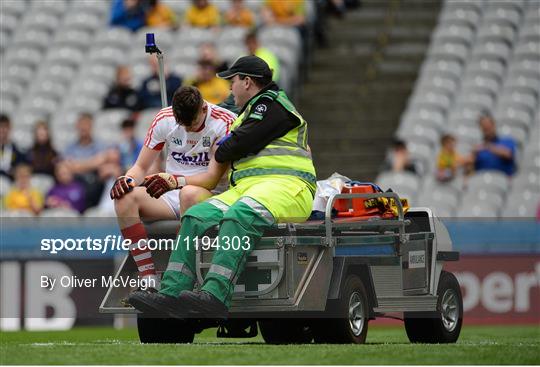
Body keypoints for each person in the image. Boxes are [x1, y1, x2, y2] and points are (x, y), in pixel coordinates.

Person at [129, 56, 316, 319]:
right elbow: (225, 131)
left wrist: (227, 143)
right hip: (251, 188)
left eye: (233, 82)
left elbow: (232, 146)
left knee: (238, 215)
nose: (230, 88)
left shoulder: (271, 104)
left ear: (247, 82)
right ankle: (170, 293)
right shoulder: (248, 112)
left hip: (287, 187)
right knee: (195, 217)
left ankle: (215, 294)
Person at [111, 86, 236, 289]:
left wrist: (174, 180)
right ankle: (148, 278)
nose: (187, 130)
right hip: (170, 190)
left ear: (203, 109)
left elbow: (212, 180)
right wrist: (128, 180)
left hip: (211, 195)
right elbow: (141, 167)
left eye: (192, 124)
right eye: (182, 124)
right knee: (124, 198)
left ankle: (179, 275)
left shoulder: (224, 122)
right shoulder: (164, 118)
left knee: (188, 194)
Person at [63, 113, 109, 208]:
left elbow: (100, 162)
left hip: (95, 183)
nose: (84, 128)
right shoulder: (70, 147)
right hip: (75, 182)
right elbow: (68, 166)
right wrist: (91, 163)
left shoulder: (100, 145)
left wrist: (78, 166)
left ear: (91, 126)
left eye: (87, 124)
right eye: (81, 125)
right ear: (77, 126)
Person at [0, 114, 26, 179]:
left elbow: (21, 166)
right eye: (1, 126)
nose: (3, 130)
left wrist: (15, 171)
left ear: (10, 128)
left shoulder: (15, 149)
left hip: (10, 183)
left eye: (6, 127)